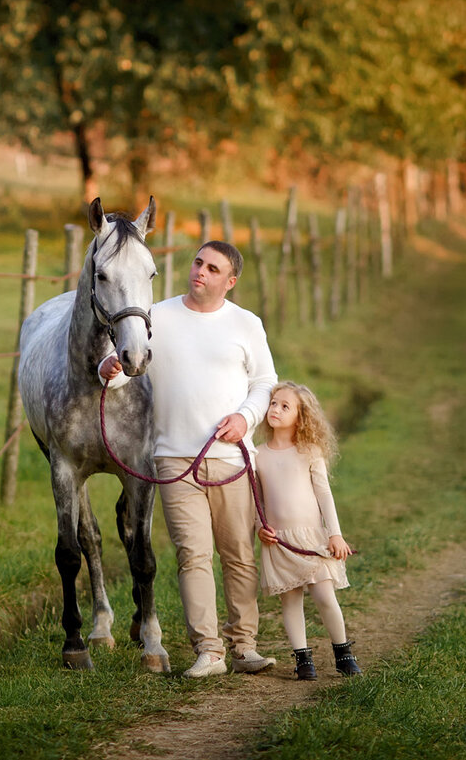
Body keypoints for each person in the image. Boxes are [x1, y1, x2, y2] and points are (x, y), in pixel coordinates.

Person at [99, 240, 278, 678]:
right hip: (174, 459)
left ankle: (244, 646)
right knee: (192, 555)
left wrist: (246, 416)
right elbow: (129, 371)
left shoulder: (245, 323)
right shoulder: (156, 316)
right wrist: (110, 370)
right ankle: (209, 650)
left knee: (238, 554)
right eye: (198, 262)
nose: (200, 271)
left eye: (212, 268)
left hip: (232, 457)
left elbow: (265, 380)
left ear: (229, 282)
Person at [254, 381, 361, 680]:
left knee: (325, 596)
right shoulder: (258, 455)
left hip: (312, 538)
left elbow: (324, 495)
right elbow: (257, 500)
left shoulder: (310, 451)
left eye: (285, 406)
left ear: (301, 417)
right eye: (273, 403)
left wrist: (334, 534)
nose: (275, 409)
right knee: (290, 601)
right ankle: (303, 659)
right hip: (280, 543)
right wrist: (260, 527)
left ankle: (343, 652)